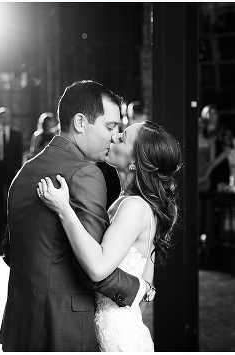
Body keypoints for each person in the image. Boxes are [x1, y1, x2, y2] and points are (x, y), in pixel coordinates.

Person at [0, 81, 151, 352]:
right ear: (80, 122)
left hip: (22, 323)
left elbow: (10, 251)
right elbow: (94, 270)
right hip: (64, 327)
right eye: (109, 127)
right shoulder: (84, 174)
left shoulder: (24, 172)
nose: (113, 136)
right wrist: (140, 289)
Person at [39, 119, 182, 352]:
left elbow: (98, 268)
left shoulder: (134, 206)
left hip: (117, 338)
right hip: (120, 329)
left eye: (122, 138)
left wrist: (64, 210)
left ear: (135, 162)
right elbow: (147, 287)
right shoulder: (132, 202)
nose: (114, 136)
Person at [0, 106, 24, 227]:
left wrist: (18, 169)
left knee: (12, 196)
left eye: (6, 116)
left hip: (11, 168)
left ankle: (12, 221)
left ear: (10, 118)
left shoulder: (16, 134)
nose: (4, 119)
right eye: (2, 117)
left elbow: (19, 152)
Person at [200, 105, 233, 190]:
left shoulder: (224, 130)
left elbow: (227, 150)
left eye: (214, 113)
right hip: (204, 166)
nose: (212, 116)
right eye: (209, 113)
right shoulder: (202, 130)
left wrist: (214, 163)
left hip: (220, 164)